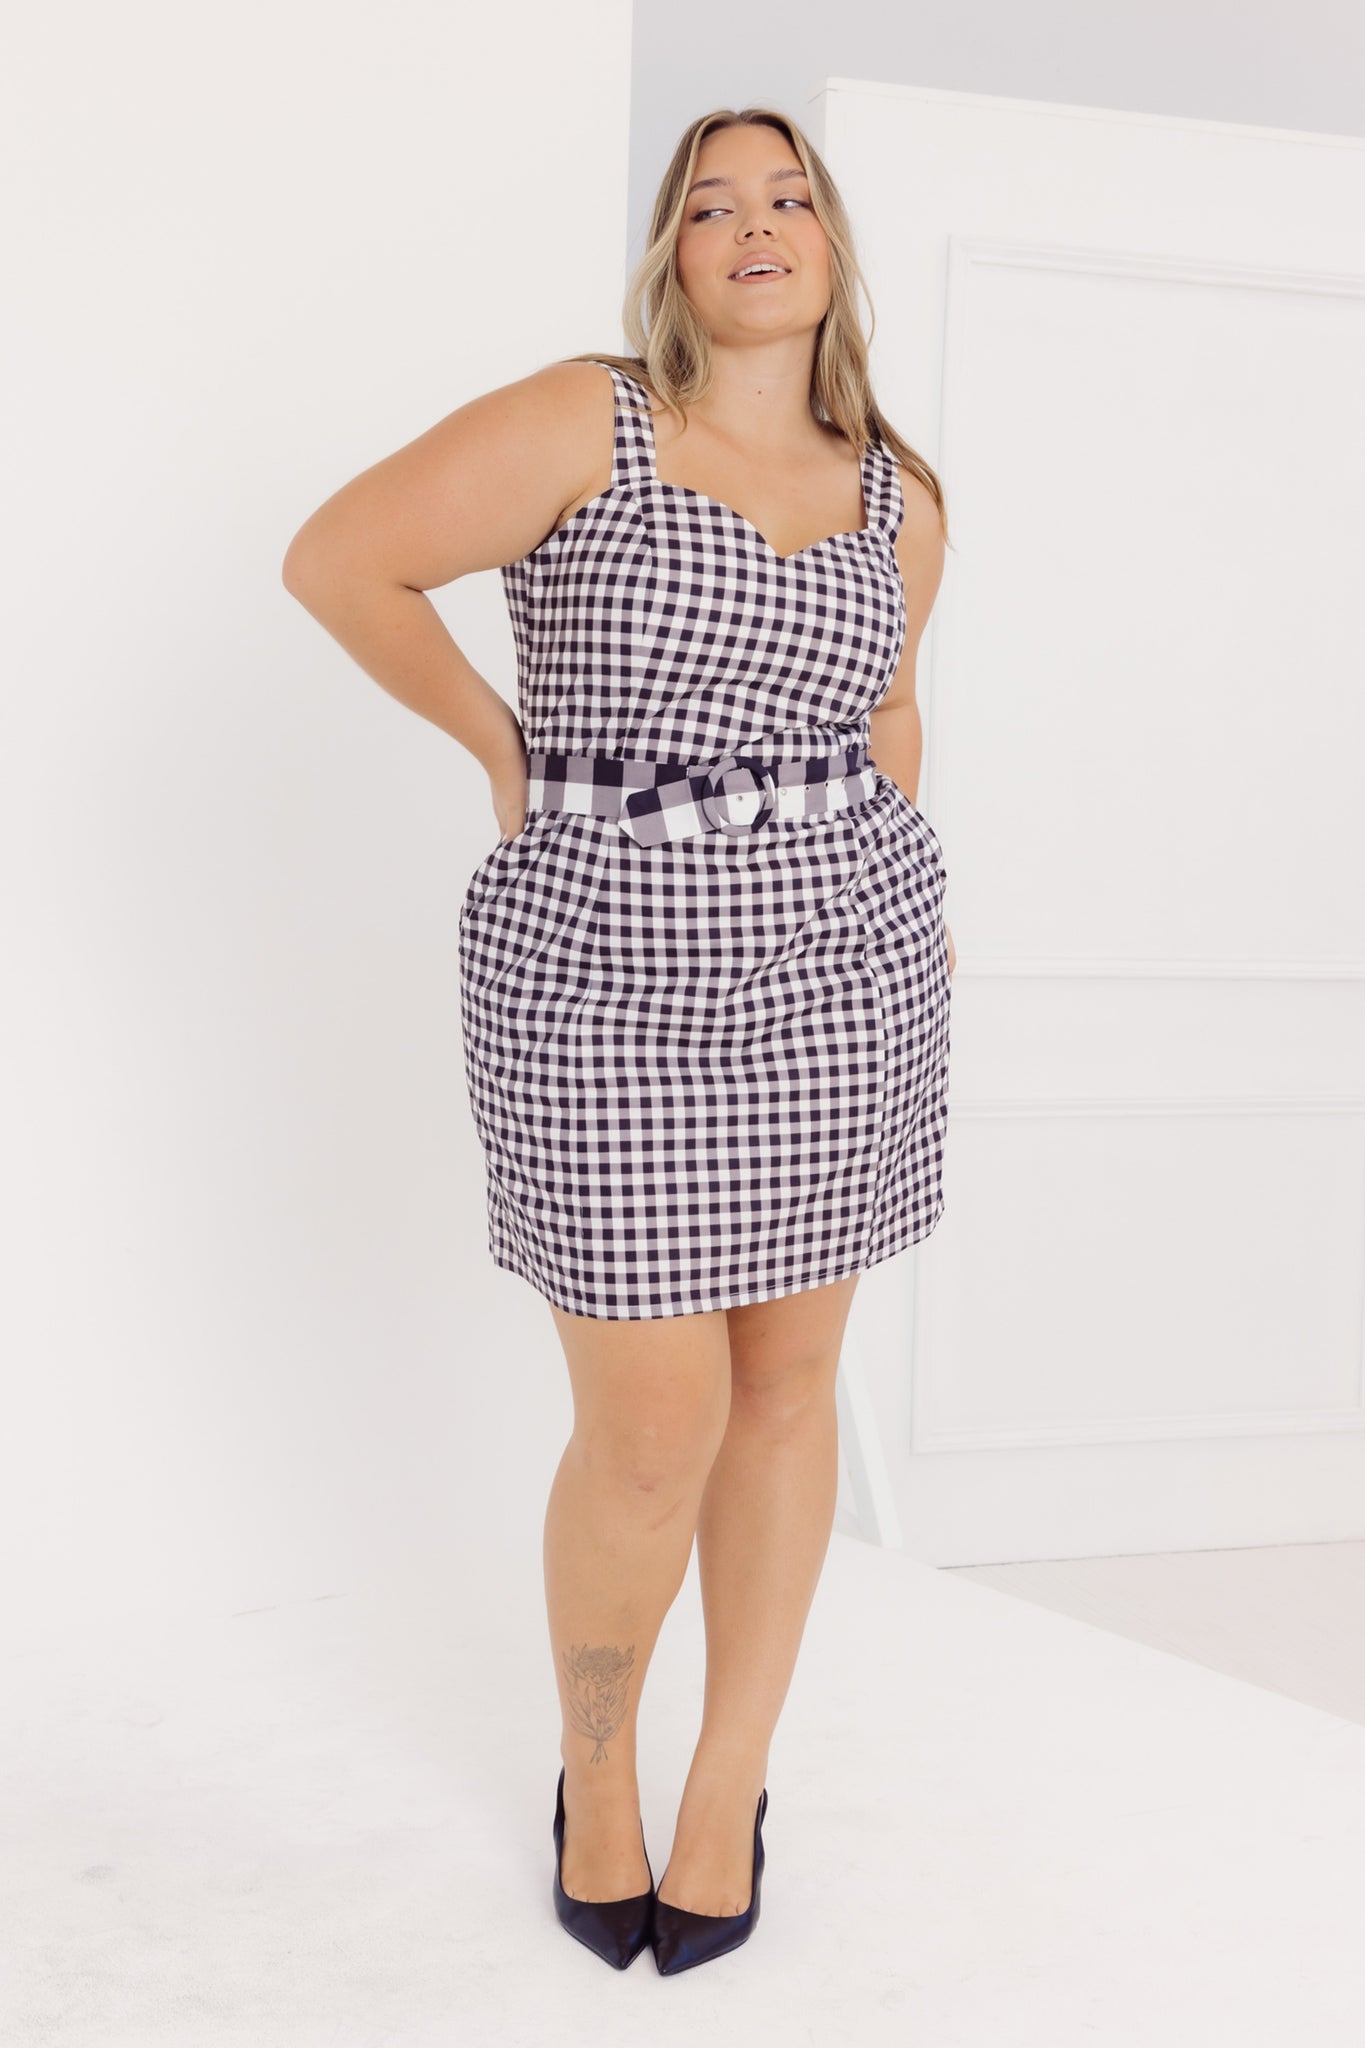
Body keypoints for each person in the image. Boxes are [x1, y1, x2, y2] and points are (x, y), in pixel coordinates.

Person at [282, 103, 955, 1977]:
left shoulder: (903, 488)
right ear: (668, 260)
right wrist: (507, 754)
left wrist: (900, 894)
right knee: (647, 1424)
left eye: (787, 196)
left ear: (832, 248)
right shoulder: (592, 421)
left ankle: (729, 1776)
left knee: (788, 1383)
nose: (751, 224)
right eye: (708, 205)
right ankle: (597, 1766)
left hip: (841, 971)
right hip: (604, 969)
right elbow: (338, 559)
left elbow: (891, 715)